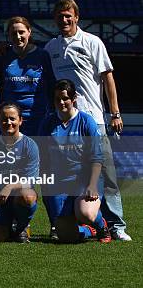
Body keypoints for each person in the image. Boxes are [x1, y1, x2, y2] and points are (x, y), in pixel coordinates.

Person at [44, 0, 130, 241]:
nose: (64, 20)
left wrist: (115, 113)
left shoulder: (92, 42)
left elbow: (108, 77)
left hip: (93, 117)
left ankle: (117, 226)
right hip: (65, 121)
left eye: (68, 16)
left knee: (107, 175)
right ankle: (77, 219)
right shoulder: (51, 47)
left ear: (77, 17)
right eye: (60, 16)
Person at [38, 79, 111, 243]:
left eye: (65, 98)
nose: (61, 102)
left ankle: (100, 225)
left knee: (85, 213)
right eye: (57, 99)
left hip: (85, 179)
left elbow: (97, 157)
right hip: (60, 181)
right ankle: (87, 230)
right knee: (66, 236)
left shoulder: (86, 121)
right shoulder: (48, 123)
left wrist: (92, 185)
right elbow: (43, 157)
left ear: (74, 98)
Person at [0, 103, 39, 243]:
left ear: (20, 120)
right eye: (4, 119)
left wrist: (9, 187)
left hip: (18, 196)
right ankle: (1, 223)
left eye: (12, 119)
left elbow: (30, 180)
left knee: (28, 196)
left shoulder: (30, 145)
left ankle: (22, 226)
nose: (8, 122)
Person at [0, 16, 54, 135]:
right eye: (13, 33)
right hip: (10, 118)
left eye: (21, 32)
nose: (18, 37)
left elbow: (51, 84)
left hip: (37, 116)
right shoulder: (4, 56)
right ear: (9, 36)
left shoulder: (42, 55)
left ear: (29, 32)